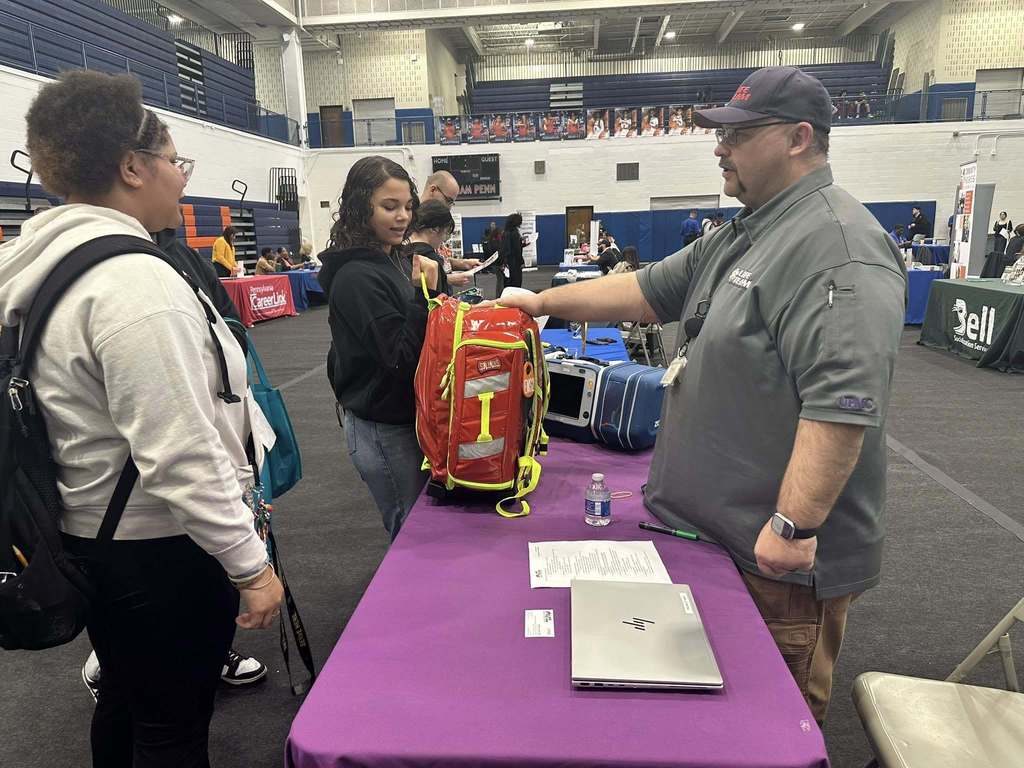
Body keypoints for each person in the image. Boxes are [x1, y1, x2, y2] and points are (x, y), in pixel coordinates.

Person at [494, 66, 906, 725]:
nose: (720, 146)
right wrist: (540, 302)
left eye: (739, 134)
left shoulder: (837, 246)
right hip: (708, 540)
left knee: (763, 729)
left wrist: (792, 527)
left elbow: (843, 405)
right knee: (697, 720)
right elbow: (644, 290)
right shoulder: (749, 230)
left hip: (774, 565)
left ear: (799, 138)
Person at [0, 70, 283, 767]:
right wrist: (250, 566)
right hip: (159, 551)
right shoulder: (135, 284)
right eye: (174, 162)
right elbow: (179, 450)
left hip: (93, 535)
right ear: (132, 166)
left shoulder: (48, 262)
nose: (180, 180)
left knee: (130, 701)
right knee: (172, 726)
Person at [318, 156, 439, 541]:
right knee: (410, 531)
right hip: (384, 430)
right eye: (389, 207)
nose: (402, 217)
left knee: (418, 524)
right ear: (359, 207)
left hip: (404, 420)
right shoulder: (357, 277)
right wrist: (426, 295)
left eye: (407, 207)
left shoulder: (393, 260)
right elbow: (401, 358)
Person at [399, 199, 466, 295]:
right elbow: (438, 302)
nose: (443, 239)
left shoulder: (399, 251)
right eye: (445, 232)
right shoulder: (431, 261)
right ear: (435, 229)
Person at [497, 212, 526, 295]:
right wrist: (521, 262)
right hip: (514, 263)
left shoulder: (505, 233)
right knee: (516, 284)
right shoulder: (515, 233)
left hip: (506, 263)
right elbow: (517, 250)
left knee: (507, 284)